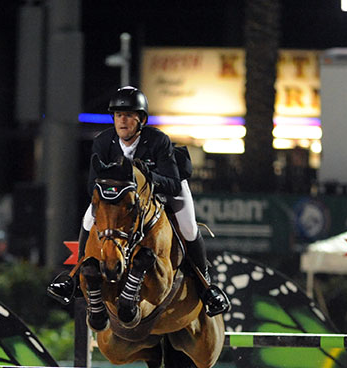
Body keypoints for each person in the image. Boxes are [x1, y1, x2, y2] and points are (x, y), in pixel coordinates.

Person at [47, 86, 229, 316]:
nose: (122, 121)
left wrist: (145, 177)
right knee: (88, 218)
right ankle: (74, 278)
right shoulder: (104, 142)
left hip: (165, 190)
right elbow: (93, 184)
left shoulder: (157, 141)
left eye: (128, 115)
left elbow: (172, 183)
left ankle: (205, 284)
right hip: (122, 199)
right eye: (118, 115)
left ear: (141, 119)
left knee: (189, 227)